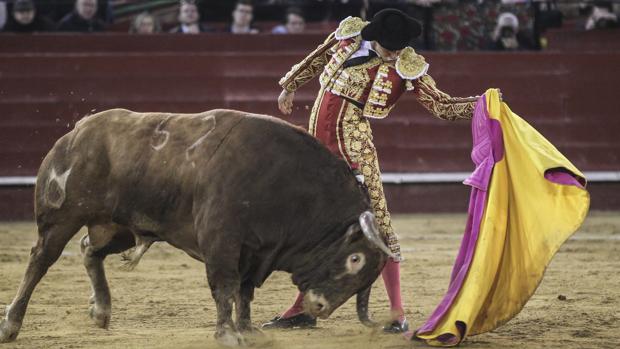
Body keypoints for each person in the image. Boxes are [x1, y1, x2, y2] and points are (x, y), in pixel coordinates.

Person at [263, 8, 479, 333]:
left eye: (398, 47)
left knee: (378, 228)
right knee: (314, 232)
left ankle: (398, 312)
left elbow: (440, 105)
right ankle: (300, 310)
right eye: (389, 46)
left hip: (355, 155)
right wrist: (290, 85)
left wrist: (482, 105)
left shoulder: (406, 66)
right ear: (375, 36)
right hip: (316, 155)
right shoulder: (348, 37)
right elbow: (318, 58)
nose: (393, 52)